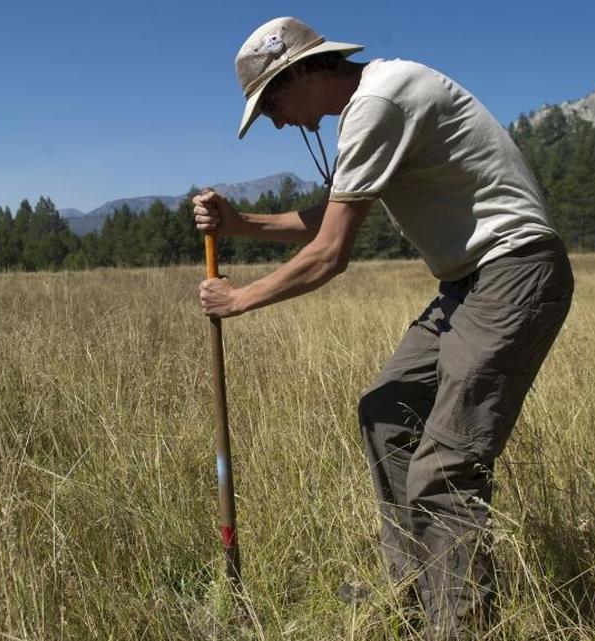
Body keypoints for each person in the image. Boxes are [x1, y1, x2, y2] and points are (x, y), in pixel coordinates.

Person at [194, 16, 573, 640]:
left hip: (512, 271)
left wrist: (239, 301)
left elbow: (329, 253)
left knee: (444, 467)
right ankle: (416, 595)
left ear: (305, 71)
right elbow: (330, 215)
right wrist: (239, 224)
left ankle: (459, 626)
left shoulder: (377, 102)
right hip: (465, 285)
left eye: (272, 104)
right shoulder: (371, 106)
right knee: (387, 412)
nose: (278, 121)